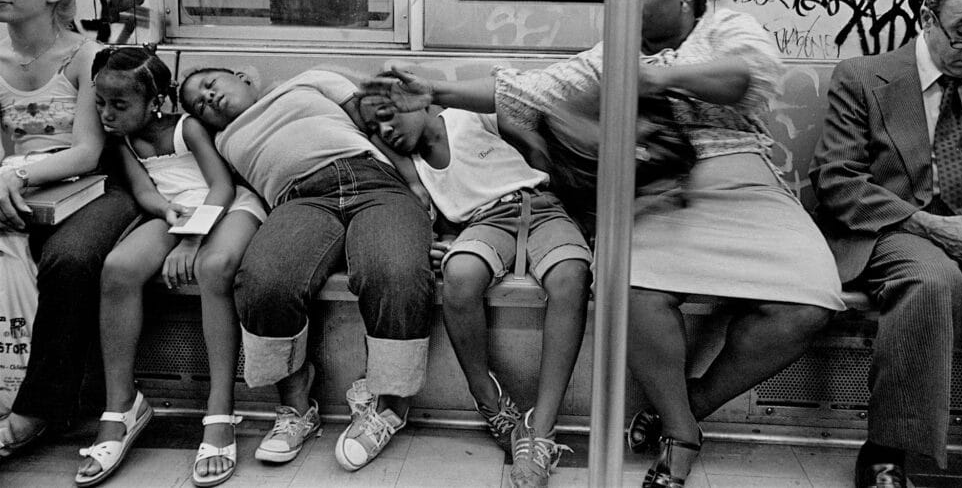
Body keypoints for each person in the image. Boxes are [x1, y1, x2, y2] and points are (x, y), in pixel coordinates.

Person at [363, 0, 845, 487]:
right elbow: (528, 90)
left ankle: (688, 406)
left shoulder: (729, 28)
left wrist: (657, 79)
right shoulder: (612, 53)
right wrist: (438, 88)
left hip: (743, 177)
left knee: (811, 303)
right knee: (627, 283)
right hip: (659, 190)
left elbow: (747, 77)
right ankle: (682, 433)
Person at [810, 0, 962, 488]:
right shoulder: (865, 78)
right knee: (932, 280)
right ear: (927, 17)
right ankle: (886, 454)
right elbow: (836, 180)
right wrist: (930, 224)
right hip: (898, 227)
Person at [178, 66, 434, 473]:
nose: (207, 99)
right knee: (264, 281)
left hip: (373, 178)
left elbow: (373, 128)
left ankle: (388, 406)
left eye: (210, 85)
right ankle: (297, 406)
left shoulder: (308, 80)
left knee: (394, 271)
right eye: (199, 104)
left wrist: (414, 182)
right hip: (299, 198)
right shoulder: (223, 141)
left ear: (244, 76)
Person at [361, 100, 592, 488]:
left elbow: (533, 133)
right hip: (484, 221)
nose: (385, 131)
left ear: (414, 101)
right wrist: (442, 238)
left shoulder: (466, 116)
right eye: (375, 127)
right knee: (459, 273)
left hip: (542, 206)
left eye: (388, 116)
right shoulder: (413, 168)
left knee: (571, 277)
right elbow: (436, 208)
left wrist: (579, 207)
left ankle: (542, 431)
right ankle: (490, 402)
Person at [74, 48, 266, 487]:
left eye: (119, 105)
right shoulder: (120, 140)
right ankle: (121, 406)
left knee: (213, 269)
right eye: (100, 103)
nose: (106, 114)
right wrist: (169, 215)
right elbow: (147, 192)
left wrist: (192, 239)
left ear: (155, 101)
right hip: (177, 214)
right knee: (118, 268)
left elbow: (220, 187)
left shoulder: (188, 127)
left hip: (226, 208)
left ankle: (219, 410)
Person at [0, 0, 140, 460]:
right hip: (16, 181)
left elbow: (86, 151)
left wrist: (19, 174)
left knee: (70, 258)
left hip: (99, 186)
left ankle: (38, 407)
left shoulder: (87, 57)